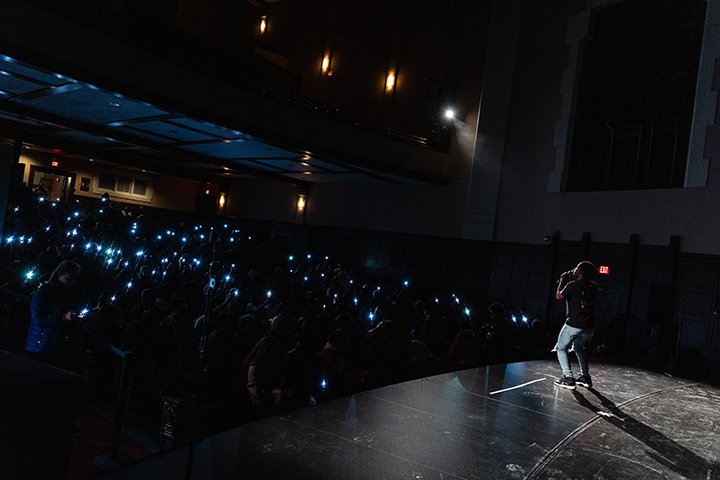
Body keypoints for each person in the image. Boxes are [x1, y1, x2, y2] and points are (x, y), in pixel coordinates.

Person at [25, 260, 89, 371]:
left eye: (74, 280)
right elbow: (38, 319)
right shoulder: (44, 292)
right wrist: (63, 317)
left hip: (57, 346)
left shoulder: (72, 294)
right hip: (40, 345)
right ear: (59, 274)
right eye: (68, 279)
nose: (71, 283)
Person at [553, 261, 598, 390]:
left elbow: (558, 296)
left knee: (561, 348)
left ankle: (568, 378)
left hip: (573, 324)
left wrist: (562, 279)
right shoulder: (593, 286)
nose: (574, 270)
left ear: (581, 272)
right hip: (588, 326)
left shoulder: (572, 285)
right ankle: (585, 377)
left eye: (577, 268)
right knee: (578, 347)